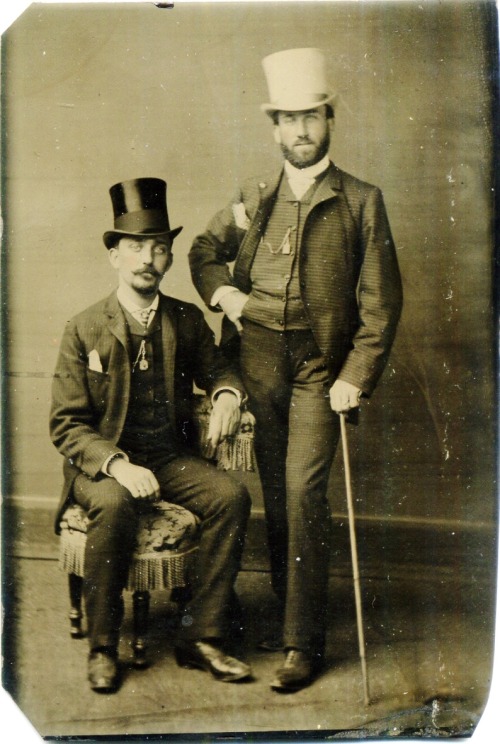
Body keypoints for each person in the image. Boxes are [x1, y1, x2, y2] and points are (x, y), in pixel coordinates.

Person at [189, 47, 403, 692]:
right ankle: (289, 615)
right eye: (288, 119)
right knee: (275, 496)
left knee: (304, 494)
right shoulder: (253, 196)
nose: (301, 131)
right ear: (274, 126)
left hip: (317, 367)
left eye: (311, 117)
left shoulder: (362, 201)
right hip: (256, 362)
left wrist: (354, 376)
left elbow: (382, 304)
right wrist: (225, 295)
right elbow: (203, 253)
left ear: (329, 119)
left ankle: (300, 645)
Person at [50, 177, 253, 693]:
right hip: (101, 467)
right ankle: (102, 644)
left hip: (168, 458)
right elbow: (66, 424)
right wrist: (117, 464)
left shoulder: (184, 319)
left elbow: (220, 366)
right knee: (115, 505)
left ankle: (201, 635)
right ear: (114, 256)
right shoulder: (84, 327)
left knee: (232, 496)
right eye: (136, 247)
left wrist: (228, 393)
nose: (148, 258)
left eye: (159, 248)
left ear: (167, 259)